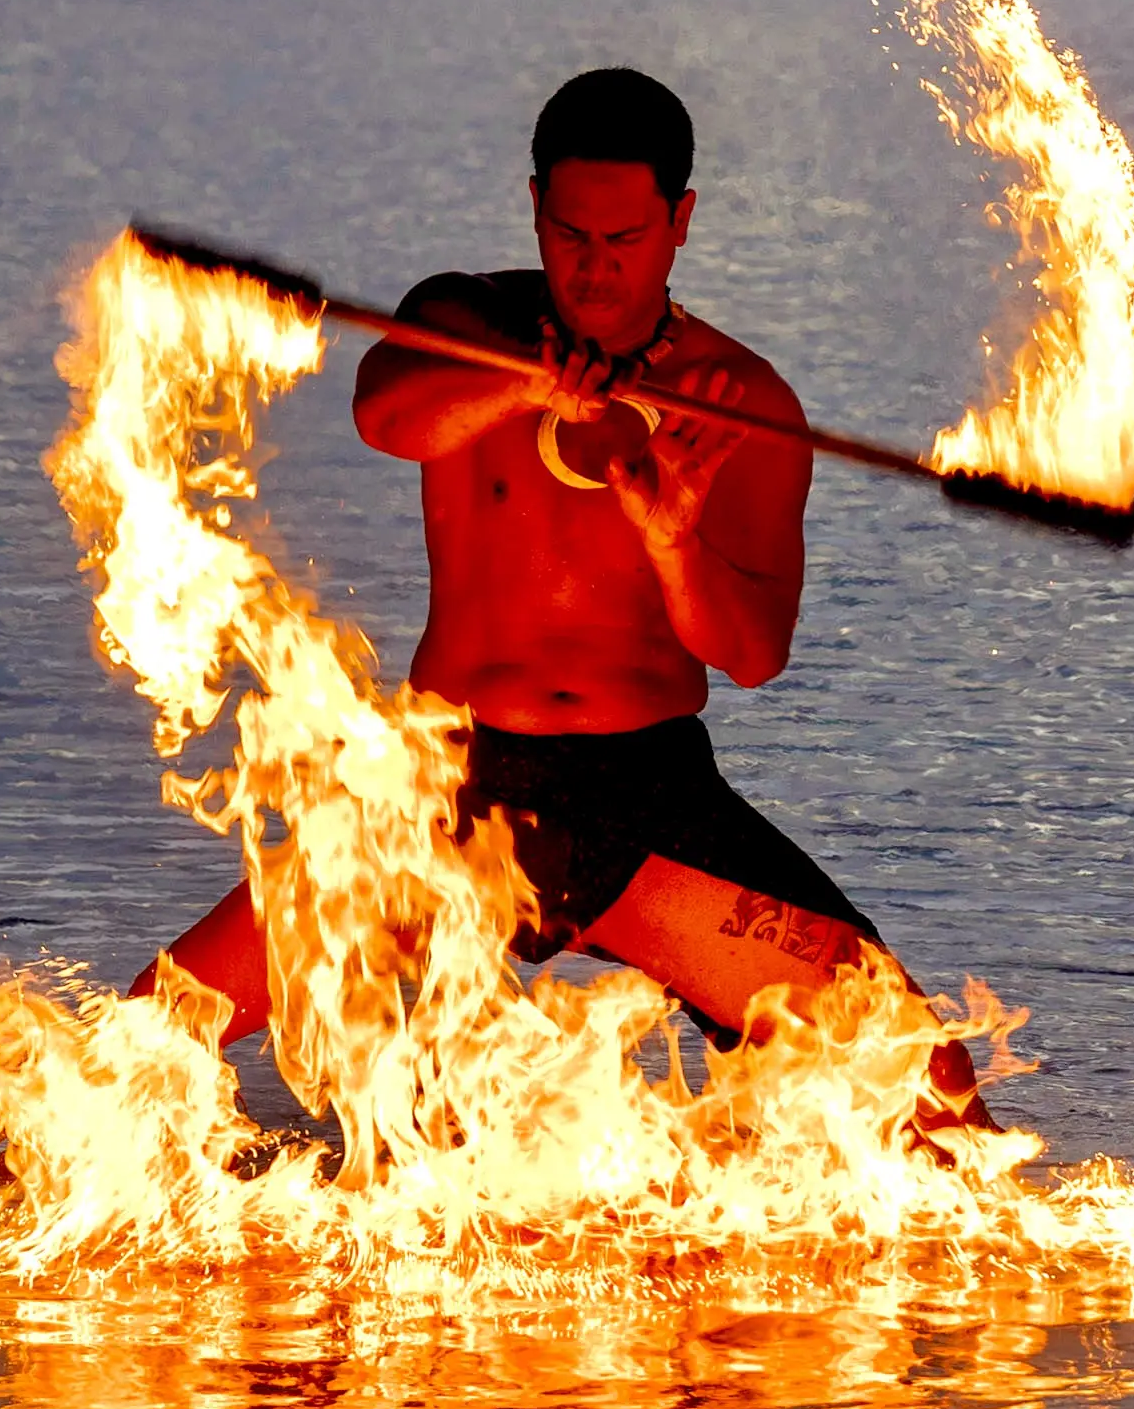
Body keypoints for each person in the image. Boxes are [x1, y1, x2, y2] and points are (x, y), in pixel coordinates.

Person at [134, 67, 994, 1137]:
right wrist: (520, 380)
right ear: (534, 203)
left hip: (638, 800)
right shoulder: (462, 321)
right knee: (139, 1044)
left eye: (623, 240)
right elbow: (383, 414)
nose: (592, 271)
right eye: (569, 236)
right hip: (441, 786)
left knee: (930, 1085)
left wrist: (673, 541)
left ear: (678, 221)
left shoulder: (743, 404)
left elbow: (755, 651)